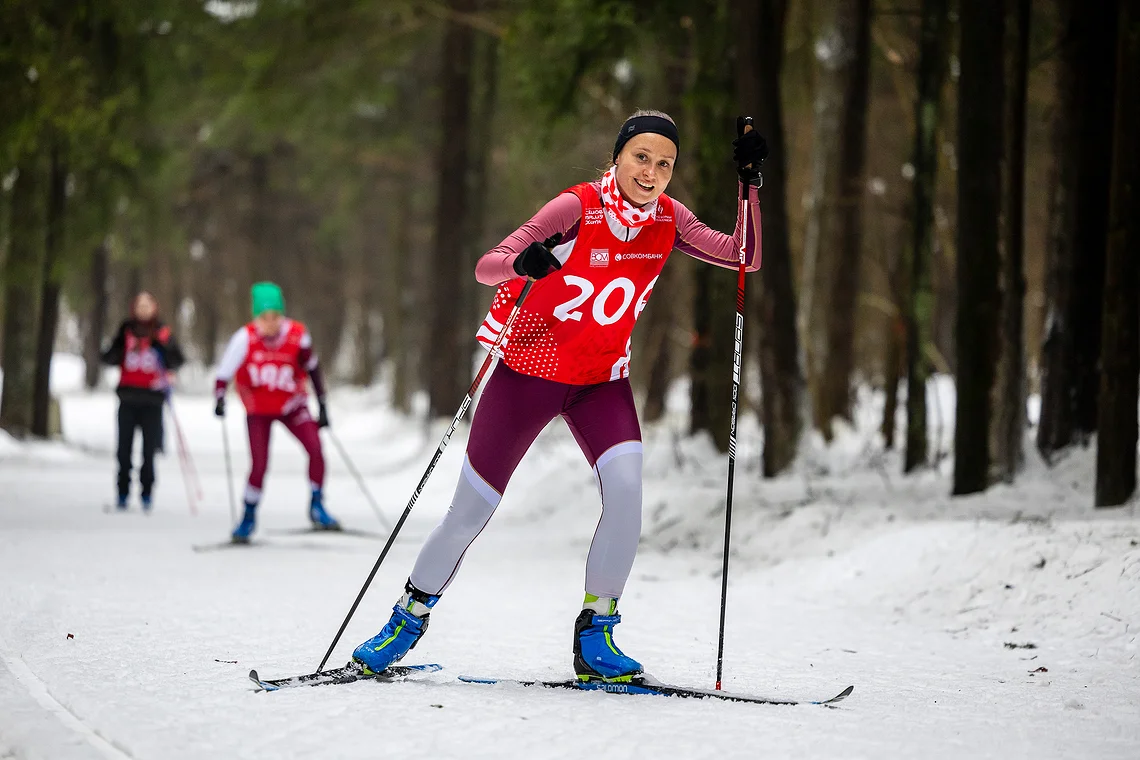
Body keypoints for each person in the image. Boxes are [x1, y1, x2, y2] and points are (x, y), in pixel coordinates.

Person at [352, 110, 767, 681]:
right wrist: (521, 261)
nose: (651, 172)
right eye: (641, 157)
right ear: (618, 156)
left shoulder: (671, 220)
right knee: (470, 511)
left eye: (665, 164)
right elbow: (486, 267)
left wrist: (748, 188)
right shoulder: (575, 207)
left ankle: (596, 637)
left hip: (601, 381)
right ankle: (406, 618)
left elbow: (745, 255)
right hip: (528, 375)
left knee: (626, 492)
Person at [214, 282, 339, 542]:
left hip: (292, 404)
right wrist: (219, 397)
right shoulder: (244, 338)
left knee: (315, 448)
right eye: (264, 317)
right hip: (258, 408)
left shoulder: (297, 335)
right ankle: (248, 517)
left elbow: (313, 369)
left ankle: (317, 505)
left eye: (275, 317)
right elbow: (224, 372)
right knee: (259, 464)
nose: (270, 323)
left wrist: (323, 404)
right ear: (256, 317)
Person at [101, 291, 186, 510]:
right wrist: (113, 350)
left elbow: (177, 360)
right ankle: (122, 492)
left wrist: (165, 348)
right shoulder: (126, 329)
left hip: (152, 400)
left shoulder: (161, 331)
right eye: (140, 305)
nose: (144, 309)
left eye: (148, 305)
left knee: (149, 451)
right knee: (123, 450)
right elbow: (110, 357)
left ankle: (147, 493)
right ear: (134, 308)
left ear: (154, 308)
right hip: (128, 397)